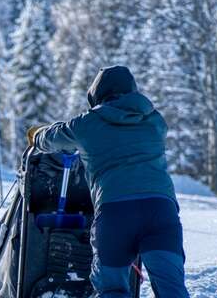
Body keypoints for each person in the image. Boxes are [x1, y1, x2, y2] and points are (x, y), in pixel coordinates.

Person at [30, 65, 189, 297]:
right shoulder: (155, 121)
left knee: (112, 289)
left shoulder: (86, 124)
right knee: (172, 289)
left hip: (116, 213)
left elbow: (50, 139)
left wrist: (36, 135)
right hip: (161, 211)